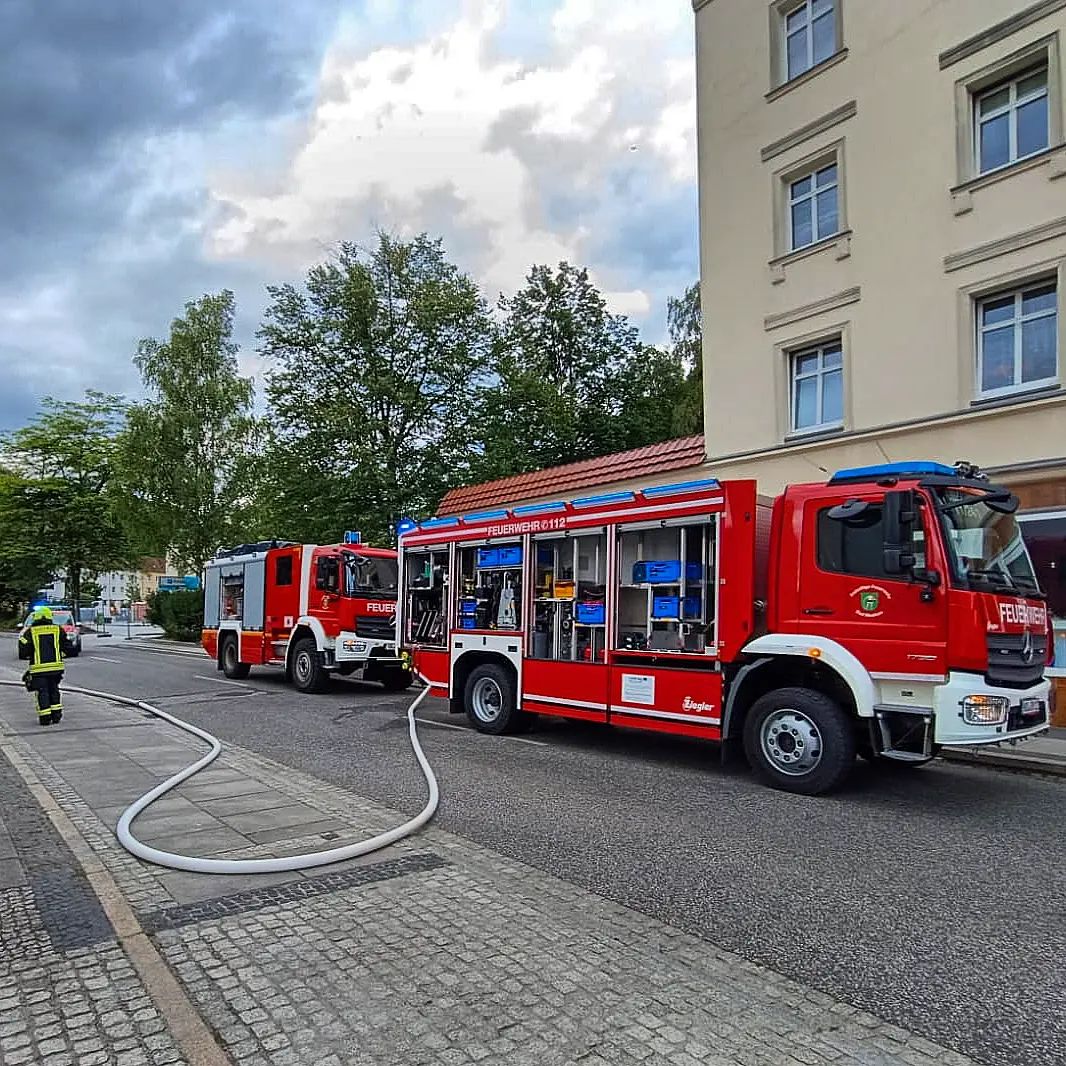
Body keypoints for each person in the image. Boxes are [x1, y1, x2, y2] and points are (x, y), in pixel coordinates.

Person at [19, 606, 69, 726]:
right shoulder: (58, 629)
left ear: (35, 618)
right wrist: (60, 654)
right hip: (56, 668)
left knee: (42, 692)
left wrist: (29, 655)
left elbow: (23, 649)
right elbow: (67, 646)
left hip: (38, 669)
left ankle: (45, 717)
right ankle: (56, 715)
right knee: (54, 690)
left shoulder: (30, 632)